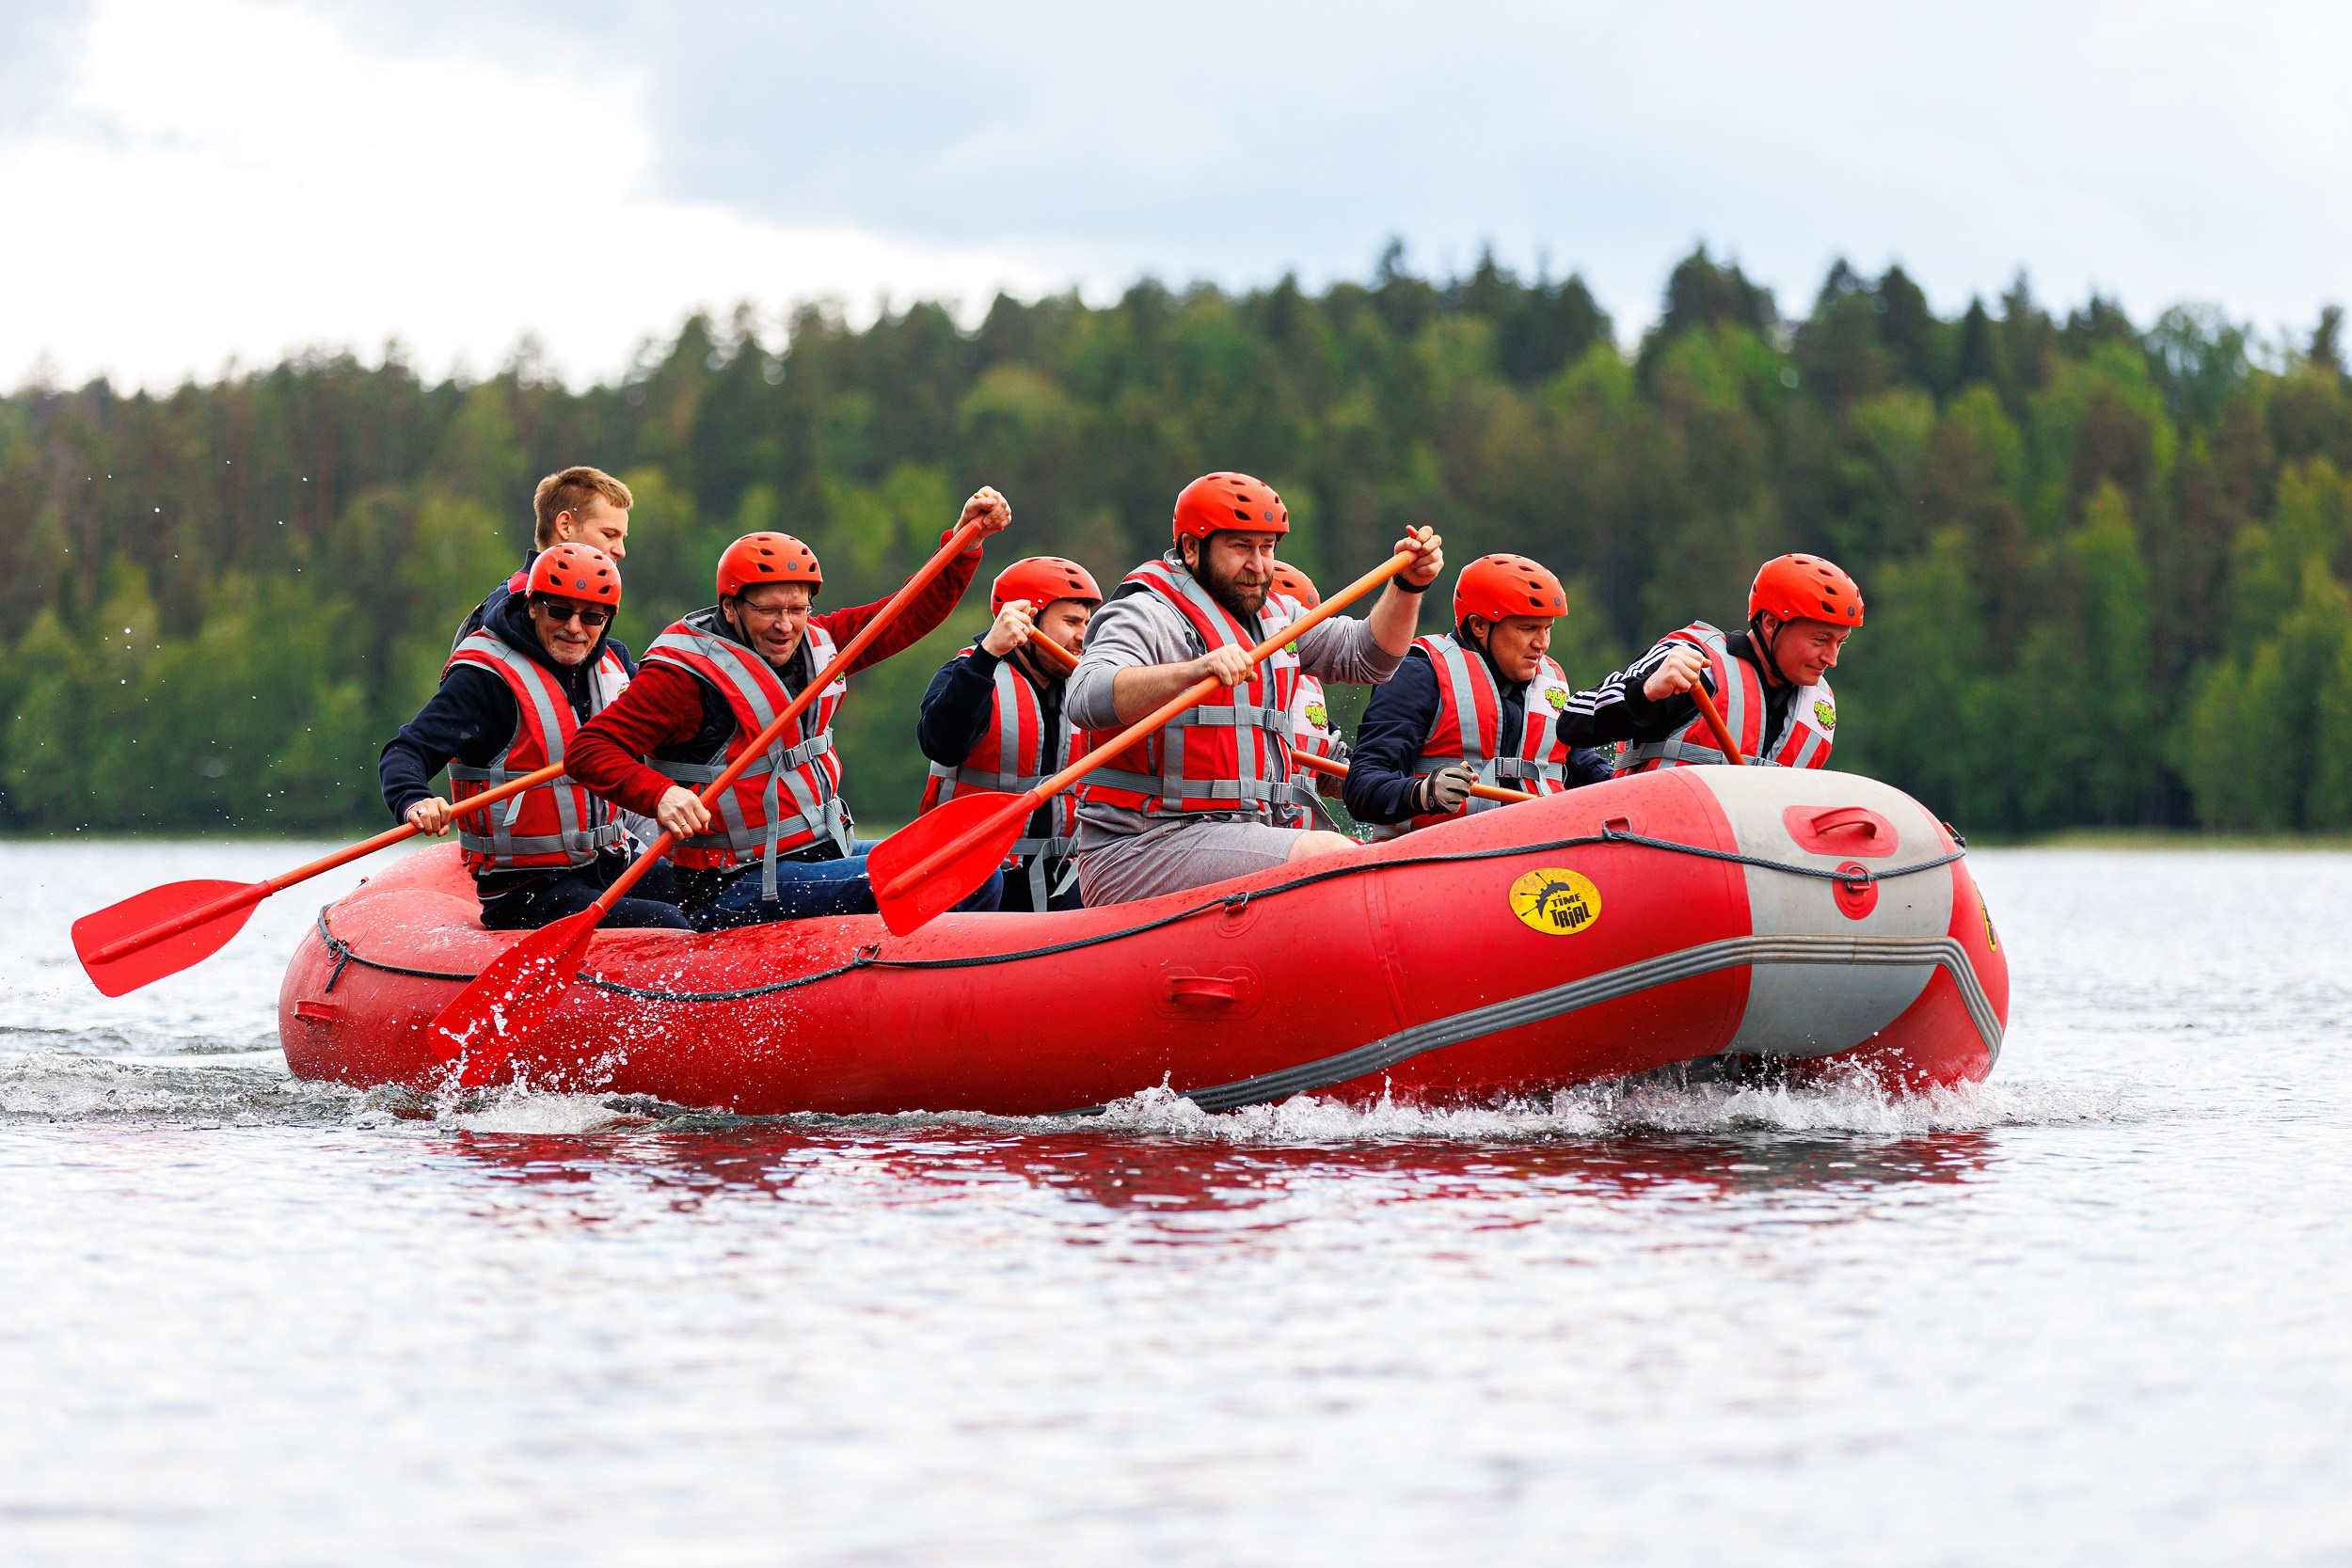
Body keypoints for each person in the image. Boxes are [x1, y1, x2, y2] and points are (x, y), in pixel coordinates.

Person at [566, 488, 1013, 928]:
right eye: (769, 610)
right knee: (966, 880)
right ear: (731, 607)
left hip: (817, 849)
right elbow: (588, 750)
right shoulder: (681, 677)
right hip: (732, 882)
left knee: (971, 860)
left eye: (798, 608)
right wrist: (660, 794)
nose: (786, 625)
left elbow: (906, 615)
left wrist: (964, 542)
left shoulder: (820, 641)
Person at [1062, 470, 1445, 905]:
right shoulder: (1145, 613)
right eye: (1241, 547)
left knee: (1350, 856)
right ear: (1191, 548)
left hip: (1236, 834)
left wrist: (1408, 587)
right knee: (1330, 858)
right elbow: (1086, 696)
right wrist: (1191, 671)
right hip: (1140, 847)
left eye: (1267, 548)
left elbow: (1370, 658)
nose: (1259, 566)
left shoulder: (1279, 615)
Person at [379, 544, 688, 931]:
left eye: (591, 616)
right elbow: (407, 751)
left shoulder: (617, 666)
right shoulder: (484, 680)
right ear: (533, 605)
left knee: (704, 895)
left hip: (611, 863)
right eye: (560, 611)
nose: (574, 628)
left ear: (608, 619)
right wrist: (415, 801)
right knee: (668, 921)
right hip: (526, 888)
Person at [1344, 554, 1708, 836]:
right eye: (1527, 628)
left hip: (1530, 860)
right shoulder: (1419, 673)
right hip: (1438, 861)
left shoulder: (1550, 681)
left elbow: (1583, 772)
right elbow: (1361, 787)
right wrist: (1422, 793)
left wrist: (1646, 798)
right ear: (1479, 625)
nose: (1542, 644)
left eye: (1548, 629)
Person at [915, 556, 1103, 911]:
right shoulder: (968, 674)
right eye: (1071, 621)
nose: (1084, 635)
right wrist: (987, 656)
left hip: (1063, 876)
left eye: (1087, 622)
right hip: (977, 880)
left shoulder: (1085, 685)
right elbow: (941, 744)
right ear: (1027, 621)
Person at [1613, 553, 1864, 772]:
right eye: (1820, 640)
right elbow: (1585, 719)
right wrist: (1644, 692)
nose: (1832, 660)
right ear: (1771, 623)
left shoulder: (1819, 707)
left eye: (1841, 642)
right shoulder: (1695, 664)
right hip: (1642, 823)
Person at [451, 466, 636, 651]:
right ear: (565, 526)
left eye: (591, 617)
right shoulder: (513, 603)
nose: (621, 551)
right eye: (609, 534)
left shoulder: (615, 657)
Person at [1264, 561, 1348, 831]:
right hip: (1255, 837)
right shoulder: (1237, 684)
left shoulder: (1308, 685)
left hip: (1306, 846)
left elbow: (1331, 769)